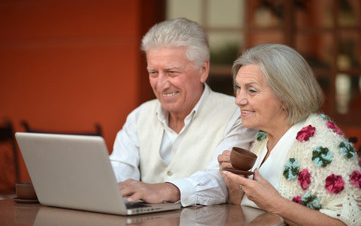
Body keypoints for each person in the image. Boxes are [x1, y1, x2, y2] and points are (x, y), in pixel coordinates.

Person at [109, 17, 257, 206]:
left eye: (172, 72)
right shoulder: (139, 116)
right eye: (153, 73)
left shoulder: (236, 114)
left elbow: (222, 181)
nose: (161, 84)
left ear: (203, 70)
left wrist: (165, 189)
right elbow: (119, 169)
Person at [218, 43, 361, 225]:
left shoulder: (322, 145)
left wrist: (276, 204)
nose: (238, 100)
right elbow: (247, 207)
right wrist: (235, 184)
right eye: (238, 88)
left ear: (285, 96)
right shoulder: (262, 139)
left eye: (251, 90)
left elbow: (348, 223)